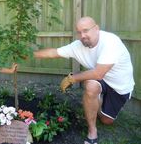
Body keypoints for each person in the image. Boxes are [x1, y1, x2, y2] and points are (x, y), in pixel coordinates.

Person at [34, 16, 134, 144]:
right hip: (100, 80)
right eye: (79, 32)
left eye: (86, 30)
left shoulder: (111, 42)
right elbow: (53, 52)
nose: (82, 35)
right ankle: (92, 131)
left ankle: (98, 102)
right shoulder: (78, 46)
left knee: (106, 120)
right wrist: (28, 54)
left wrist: (71, 78)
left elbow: (98, 73)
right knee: (90, 86)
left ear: (96, 29)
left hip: (119, 85)